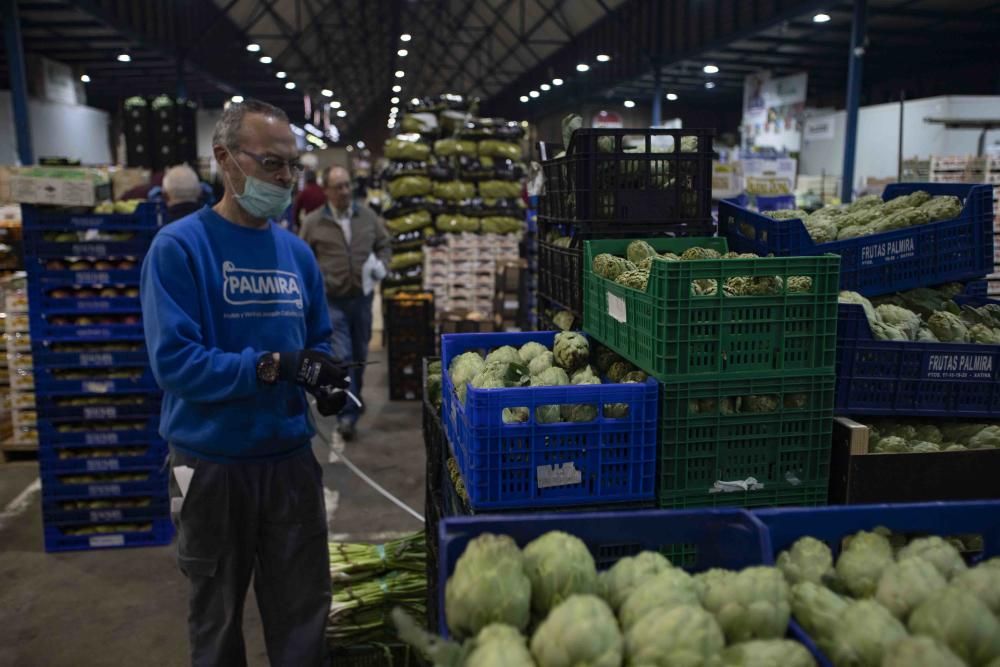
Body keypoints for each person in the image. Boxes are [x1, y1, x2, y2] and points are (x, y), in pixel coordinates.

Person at [140, 98, 349, 667]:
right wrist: (271, 367)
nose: (284, 179)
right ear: (225, 160)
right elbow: (176, 362)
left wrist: (323, 377)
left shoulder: (297, 254)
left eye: (292, 167)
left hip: (287, 463)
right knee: (217, 621)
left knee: (303, 614)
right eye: (271, 165)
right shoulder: (179, 249)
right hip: (209, 467)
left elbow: (319, 340)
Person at [299, 166, 390, 441]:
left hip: (362, 299)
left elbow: (385, 244)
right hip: (332, 301)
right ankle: (347, 414)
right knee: (343, 355)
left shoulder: (368, 216)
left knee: (360, 355)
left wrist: (381, 265)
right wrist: (314, 284)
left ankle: (355, 396)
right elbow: (303, 258)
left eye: (347, 186)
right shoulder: (314, 223)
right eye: (338, 187)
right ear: (326, 190)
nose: (345, 191)